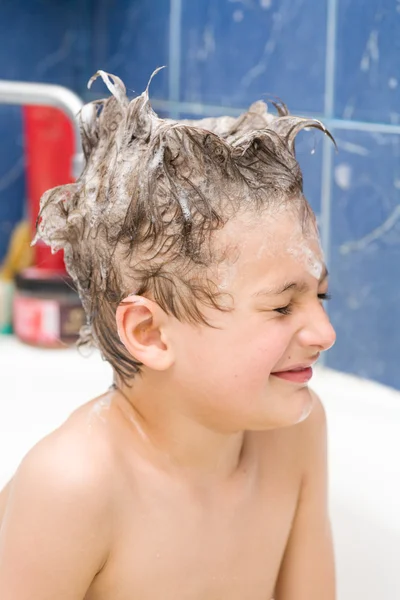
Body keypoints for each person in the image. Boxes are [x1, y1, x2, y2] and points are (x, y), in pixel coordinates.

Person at [0, 70, 337, 599]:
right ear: (151, 333)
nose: (324, 331)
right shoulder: (73, 486)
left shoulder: (296, 431)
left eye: (320, 296)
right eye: (280, 306)